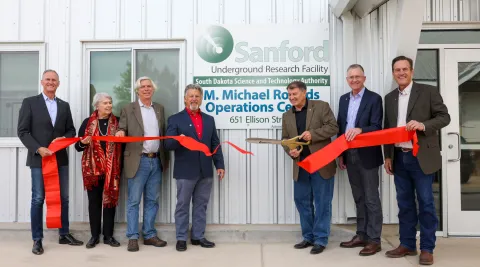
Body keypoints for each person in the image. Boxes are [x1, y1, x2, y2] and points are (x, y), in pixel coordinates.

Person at [383, 56, 450, 265]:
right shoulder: (390, 97)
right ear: (393, 73)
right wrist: (387, 155)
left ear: (411, 71)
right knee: (404, 204)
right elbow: (387, 128)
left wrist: (423, 125)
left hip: (421, 157)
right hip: (399, 158)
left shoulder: (428, 91)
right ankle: (407, 244)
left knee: (426, 203)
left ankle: (427, 248)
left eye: (404, 69)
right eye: (397, 70)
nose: (401, 73)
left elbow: (444, 117)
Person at [17, 69, 83, 255]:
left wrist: (62, 139)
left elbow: (71, 131)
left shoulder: (64, 105)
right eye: (48, 79)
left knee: (63, 198)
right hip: (39, 159)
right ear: (42, 82)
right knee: (38, 198)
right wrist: (38, 148)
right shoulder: (30, 103)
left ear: (58, 83)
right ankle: (37, 239)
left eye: (54, 80)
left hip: (60, 159)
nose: (51, 82)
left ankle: (64, 233)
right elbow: (22, 131)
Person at [164, 84, 225, 252]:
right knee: (182, 205)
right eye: (190, 96)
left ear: (201, 99)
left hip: (205, 170)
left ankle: (198, 236)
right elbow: (168, 144)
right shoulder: (175, 119)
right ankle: (181, 238)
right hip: (185, 170)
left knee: (201, 205)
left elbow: (215, 144)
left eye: (197, 96)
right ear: (185, 99)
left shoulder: (209, 119)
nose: (194, 99)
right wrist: (179, 139)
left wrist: (219, 165)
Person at [281, 81, 338, 254]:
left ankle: (321, 239)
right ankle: (308, 237)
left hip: (321, 164)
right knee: (302, 201)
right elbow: (285, 139)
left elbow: (333, 127)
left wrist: (312, 135)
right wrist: (291, 150)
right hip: (301, 165)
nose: (292, 97)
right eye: (289, 95)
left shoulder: (321, 107)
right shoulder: (287, 115)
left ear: (304, 93)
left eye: (295, 94)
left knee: (322, 203)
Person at [115, 76, 168, 252]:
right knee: (134, 201)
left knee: (152, 200)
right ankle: (132, 237)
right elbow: (121, 127)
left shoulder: (159, 109)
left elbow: (164, 133)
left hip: (156, 160)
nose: (146, 89)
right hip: (138, 161)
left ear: (153, 89)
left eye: (149, 86)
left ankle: (149, 235)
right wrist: (121, 132)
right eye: (143, 86)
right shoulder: (128, 108)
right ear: (138, 90)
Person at [337, 64, 384, 256]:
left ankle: (374, 240)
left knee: (371, 198)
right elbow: (341, 126)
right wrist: (341, 153)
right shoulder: (343, 99)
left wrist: (361, 130)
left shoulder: (374, 99)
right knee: (359, 198)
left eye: (357, 76)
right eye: (351, 77)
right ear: (347, 80)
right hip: (350, 154)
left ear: (364, 78)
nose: (354, 80)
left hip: (368, 155)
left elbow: (377, 126)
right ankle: (361, 234)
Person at [74, 93, 122, 249]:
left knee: (110, 202)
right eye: (105, 103)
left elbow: (124, 145)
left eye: (110, 102)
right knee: (94, 203)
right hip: (92, 171)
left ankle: (108, 236)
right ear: (97, 106)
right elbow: (77, 147)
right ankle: (94, 236)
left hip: (111, 170)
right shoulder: (87, 123)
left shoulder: (117, 123)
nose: (109, 105)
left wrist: (121, 135)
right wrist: (83, 142)